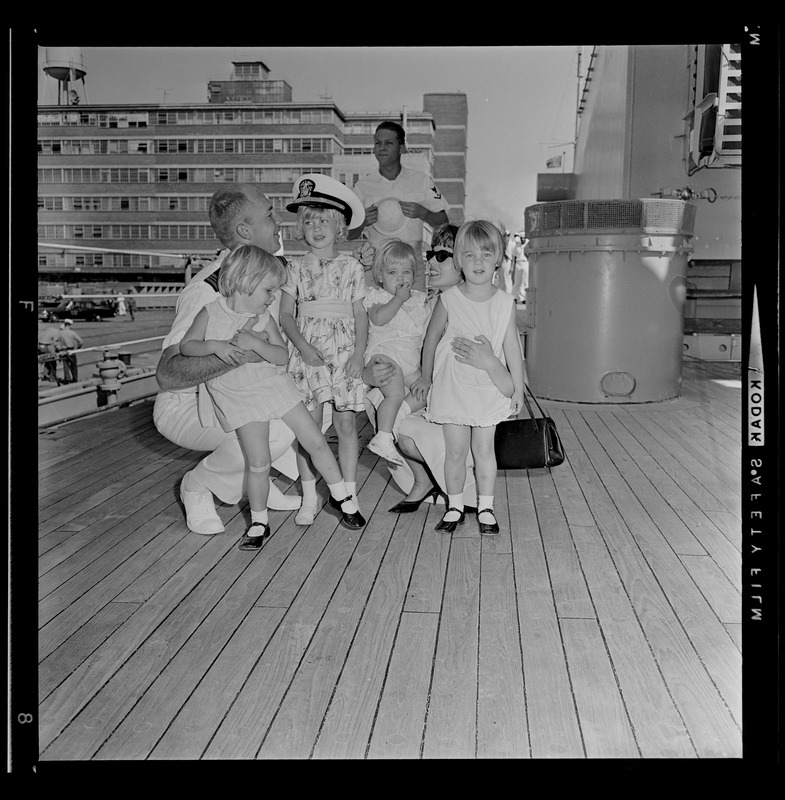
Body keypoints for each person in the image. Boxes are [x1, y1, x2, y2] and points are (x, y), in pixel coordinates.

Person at [180, 245, 364, 548]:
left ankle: (342, 496)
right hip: (238, 395)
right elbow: (188, 346)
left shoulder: (263, 318)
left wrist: (256, 343)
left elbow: (280, 356)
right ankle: (258, 520)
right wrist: (215, 346)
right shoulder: (210, 312)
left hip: (274, 386)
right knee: (258, 463)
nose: (270, 298)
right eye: (268, 290)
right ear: (246, 281)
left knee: (315, 439)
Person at [154, 184, 302, 538]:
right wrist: (241, 353)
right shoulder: (208, 290)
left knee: (304, 407)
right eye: (269, 214)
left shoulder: (261, 274)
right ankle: (198, 485)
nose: (278, 221)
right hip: (188, 405)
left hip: (233, 394)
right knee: (277, 427)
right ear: (245, 232)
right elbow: (168, 374)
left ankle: (256, 480)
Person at [363, 223, 519, 514]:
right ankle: (423, 480)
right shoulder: (422, 301)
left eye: (442, 255)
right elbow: (379, 327)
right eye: (430, 254)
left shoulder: (487, 308)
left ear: (462, 262)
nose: (431, 261)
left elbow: (512, 382)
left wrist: (489, 362)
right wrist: (366, 373)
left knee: (416, 426)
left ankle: (460, 493)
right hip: (422, 388)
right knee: (389, 411)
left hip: (466, 399)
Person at [414, 220, 524, 535]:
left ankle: (486, 506)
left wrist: (518, 390)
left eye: (486, 255)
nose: (478, 262)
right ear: (459, 259)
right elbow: (431, 339)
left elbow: (512, 349)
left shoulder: (504, 304)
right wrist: (426, 376)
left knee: (484, 451)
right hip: (453, 386)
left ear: (499, 259)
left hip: (486, 389)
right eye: (470, 255)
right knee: (456, 451)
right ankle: (455, 506)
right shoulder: (448, 299)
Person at [279, 173, 368, 526]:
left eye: (325, 220)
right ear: (301, 227)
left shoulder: (352, 267)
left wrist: (359, 353)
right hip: (309, 350)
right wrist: (302, 347)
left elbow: (360, 314)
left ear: (340, 226)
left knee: (346, 424)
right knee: (311, 428)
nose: (317, 228)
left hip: (345, 350)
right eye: (309, 221)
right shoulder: (294, 267)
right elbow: (286, 315)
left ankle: (348, 492)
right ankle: (309, 495)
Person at [348, 121, 449, 292]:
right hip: (376, 263)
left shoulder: (421, 180)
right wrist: (362, 221)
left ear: (402, 147)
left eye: (388, 143)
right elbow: (349, 234)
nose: (382, 148)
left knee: (413, 315)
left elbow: (444, 222)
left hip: (410, 262)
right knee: (375, 315)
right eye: (377, 143)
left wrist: (422, 213)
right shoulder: (362, 186)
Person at [362, 239, 431, 465]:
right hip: (386, 354)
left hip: (410, 361)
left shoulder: (420, 300)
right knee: (394, 392)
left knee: (427, 392)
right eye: (393, 272)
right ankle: (383, 437)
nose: (401, 278)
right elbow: (379, 319)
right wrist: (398, 299)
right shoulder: (378, 296)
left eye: (406, 271)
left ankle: (398, 415)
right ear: (380, 276)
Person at [54, 319, 83, 383]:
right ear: (70, 325)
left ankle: (67, 379)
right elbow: (80, 341)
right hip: (71, 350)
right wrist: (78, 347)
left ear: (64, 324)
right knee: (74, 365)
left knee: (65, 365)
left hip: (63, 350)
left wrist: (58, 347)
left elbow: (54, 341)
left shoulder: (60, 333)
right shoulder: (72, 332)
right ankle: (75, 379)